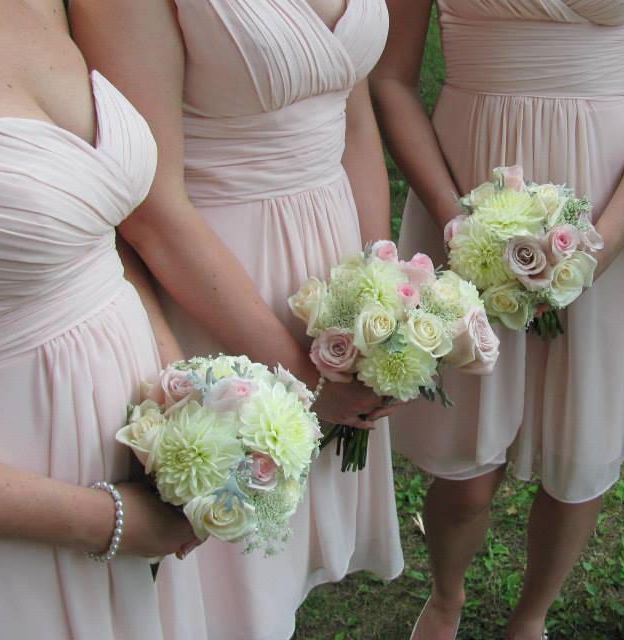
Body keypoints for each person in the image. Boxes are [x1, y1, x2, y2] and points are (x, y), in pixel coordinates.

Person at [370, 1, 624, 637]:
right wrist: (457, 224)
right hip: (467, 183)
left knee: (582, 442)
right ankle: (446, 596)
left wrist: (605, 241)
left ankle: (531, 616)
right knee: (464, 466)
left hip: (609, 197)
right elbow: (391, 77)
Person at [69, 1, 403, 638]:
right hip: (221, 292)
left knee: (285, 546)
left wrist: (379, 295)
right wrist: (304, 373)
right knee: (230, 582)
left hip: (331, 260)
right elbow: (150, 206)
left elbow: (352, 114)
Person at [0, 1, 200, 637]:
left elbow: (98, 236)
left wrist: (180, 386)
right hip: (9, 523)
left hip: (131, 474)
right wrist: (108, 520)